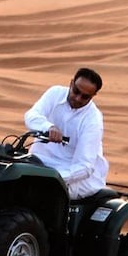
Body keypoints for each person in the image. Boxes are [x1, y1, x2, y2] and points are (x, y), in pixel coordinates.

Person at [24, 67, 108, 199]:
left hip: (72, 176)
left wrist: (54, 177)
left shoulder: (93, 120)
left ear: (93, 96)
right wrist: (48, 127)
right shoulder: (55, 93)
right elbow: (31, 116)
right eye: (76, 91)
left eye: (85, 97)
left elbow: (84, 167)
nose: (78, 98)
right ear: (71, 83)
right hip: (38, 163)